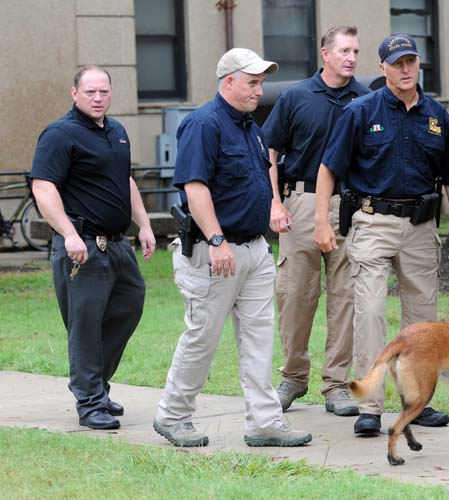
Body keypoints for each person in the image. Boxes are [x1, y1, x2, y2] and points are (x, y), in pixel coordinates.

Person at [153, 48, 312, 448]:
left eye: (261, 83)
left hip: (256, 250)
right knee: (202, 337)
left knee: (260, 340)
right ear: (228, 82)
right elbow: (195, 187)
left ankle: (264, 423)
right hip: (215, 253)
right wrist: (217, 239)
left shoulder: (249, 127)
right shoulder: (203, 124)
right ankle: (173, 415)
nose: (260, 91)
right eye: (252, 83)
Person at [314, 34, 449, 436]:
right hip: (373, 222)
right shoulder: (360, 111)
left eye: (411, 61)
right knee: (371, 312)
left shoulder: (437, 116)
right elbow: (329, 168)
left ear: (419, 65)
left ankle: (417, 403)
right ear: (382, 68)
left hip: (421, 226)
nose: (405, 69)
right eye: (396, 63)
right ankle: (369, 407)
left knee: (423, 322)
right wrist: (321, 221)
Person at [31, 65, 156, 430]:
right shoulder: (59, 134)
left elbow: (125, 181)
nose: (98, 98)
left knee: (129, 307)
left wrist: (145, 224)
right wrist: (68, 233)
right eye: (90, 92)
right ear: (75, 93)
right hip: (81, 247)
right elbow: (44, 187)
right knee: (84, 326)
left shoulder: (116, 131)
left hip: (118, 245)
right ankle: (89, 403)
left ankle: (96, 386)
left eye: (103, 92)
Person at [261, 25, 369, 417]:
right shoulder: (295, 97)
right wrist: (275, 202)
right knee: (295, 294)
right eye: (344, 50)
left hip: (352, 205)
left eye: (356, 51)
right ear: (325, 54)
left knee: (346, 297)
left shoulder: (367, 99)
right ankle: (292, 376)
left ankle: (336, 385)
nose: (351, 58)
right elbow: (268, 150)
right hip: (301, 202)